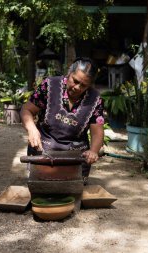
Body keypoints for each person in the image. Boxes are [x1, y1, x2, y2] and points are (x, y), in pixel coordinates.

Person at [20, 57, 105, 185]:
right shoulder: (49, 85)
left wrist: (93, 151)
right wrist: (32, 129)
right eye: (75, 81)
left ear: (90, 85)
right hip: (43, 151)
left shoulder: (95, 100)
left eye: (83, 85)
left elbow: (97, 132)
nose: (77, 87)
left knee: (71, 192)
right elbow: (26, 110)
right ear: (69, 73)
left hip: (76, 157)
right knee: (41, 188)